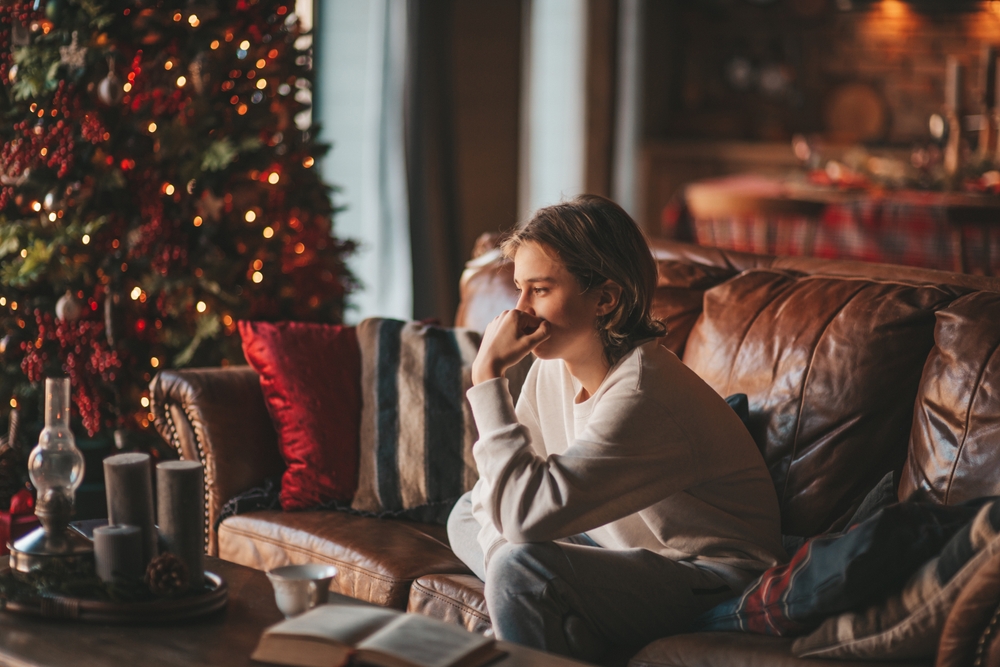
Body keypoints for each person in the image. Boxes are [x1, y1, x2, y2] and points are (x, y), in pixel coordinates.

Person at [447, 195, 785, 662]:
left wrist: (487, 378)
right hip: (610, 541)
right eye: (519, 289)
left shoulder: (644, 393)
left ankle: (553, 615)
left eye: (540, 290)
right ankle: (566, 618)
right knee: (467, 511)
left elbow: (523, 517)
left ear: (605, 299)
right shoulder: (554, 363)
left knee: (517, 563)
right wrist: (515, 534)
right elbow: (505, 494)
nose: (519, 311)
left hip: (705, 576)